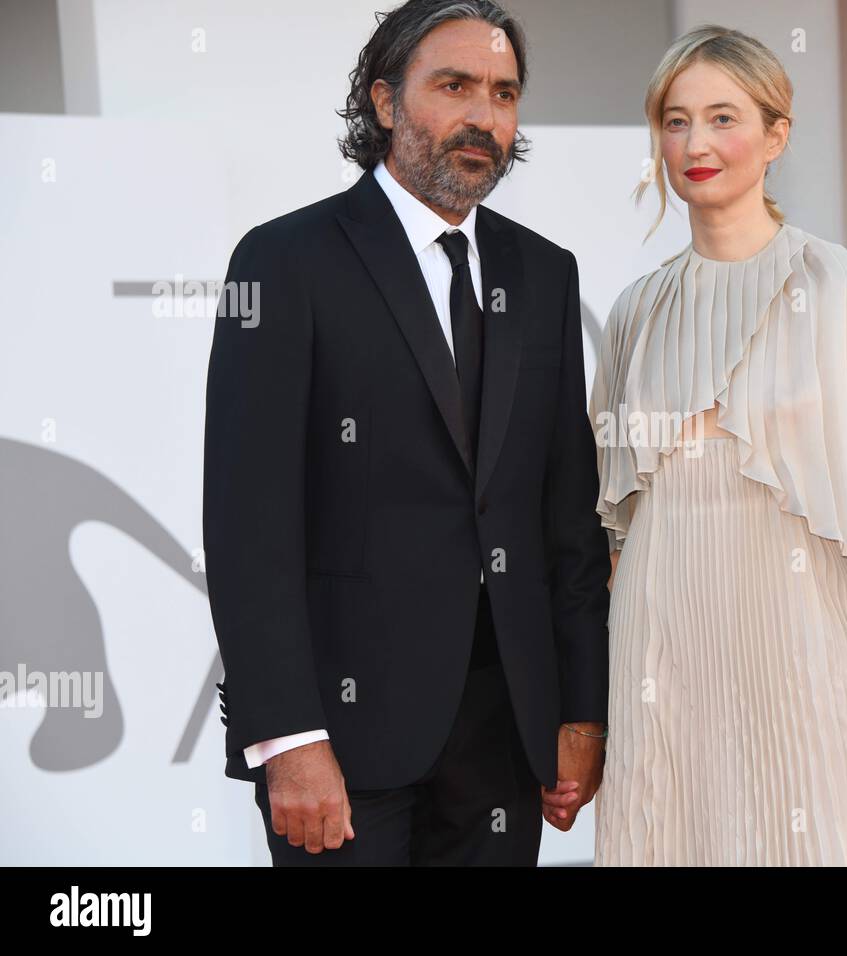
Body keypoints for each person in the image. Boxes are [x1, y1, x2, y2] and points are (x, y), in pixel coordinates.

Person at [203, 0, 609, 865]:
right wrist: (288, 738)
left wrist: (580, 707)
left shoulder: (544, 273)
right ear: (385, 103)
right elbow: (247, 526)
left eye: (504, 94)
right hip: (343, 742)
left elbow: (565, 516)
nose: (483, 116)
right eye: (454, 86)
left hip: (505, 738)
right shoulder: (284, 263)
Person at [589, 26, 847, 866]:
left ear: (776, 133)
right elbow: (612, 533)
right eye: (676, 121)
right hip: (663, 654)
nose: (697, 143)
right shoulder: (635, 313)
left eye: (724, 118)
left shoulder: (845, 294)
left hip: (805, 649)